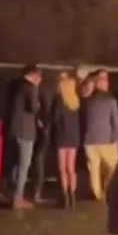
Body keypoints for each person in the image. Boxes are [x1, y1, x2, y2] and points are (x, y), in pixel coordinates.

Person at [80, 71, 118, 199]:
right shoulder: (110, 100)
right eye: (105, 80)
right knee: (114, 167)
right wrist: (117, 139)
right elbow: (116, 122)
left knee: (94, 169)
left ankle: (97, 193)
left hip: (89, 140)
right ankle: (110, 189)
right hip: (106, 140)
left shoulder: (88, 101)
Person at [4, 65, 43, 209]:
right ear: (34, 75)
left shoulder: (14, 85)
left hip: (12, 129)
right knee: (23, 166)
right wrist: (37, 98)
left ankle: (13, 194)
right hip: (25, 131)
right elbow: (33, 107)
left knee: (15, 164)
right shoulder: (31, 88)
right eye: (39, 76)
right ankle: (18, 197)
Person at [50, 72, 83, 209]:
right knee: (71, 168)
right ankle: (73, 197)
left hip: (62, 136)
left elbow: (55, 118)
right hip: (74, 136)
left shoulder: (59, 100)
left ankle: (65, 198)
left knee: (62, 168)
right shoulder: (75, 101)